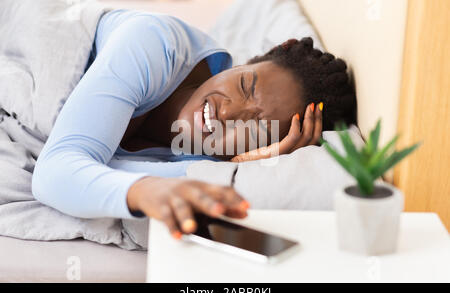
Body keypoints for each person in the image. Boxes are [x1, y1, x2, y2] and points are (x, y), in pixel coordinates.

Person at [32, 10, 356, 239]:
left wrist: (247, 162)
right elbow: (54, 174)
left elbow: (94, 172)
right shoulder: (154, 44)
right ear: (248, 62)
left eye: (255, 128)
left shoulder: (206, 155)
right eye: (243, 86)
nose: (228, 114)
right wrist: (144, 190)